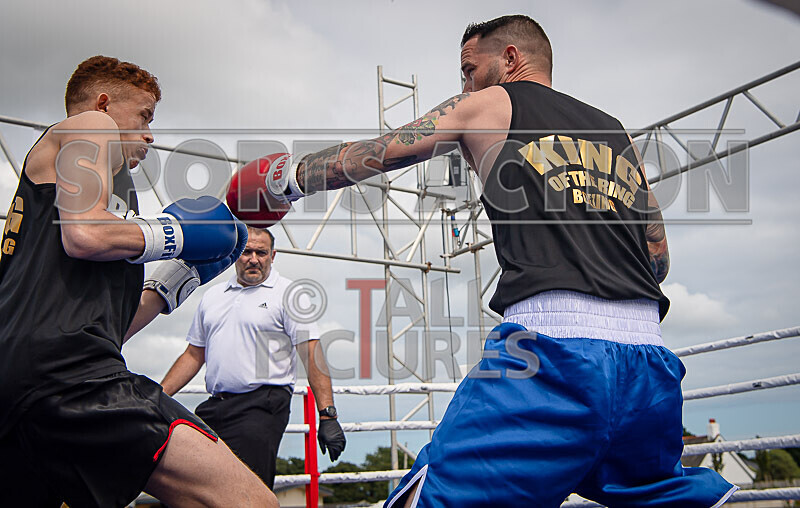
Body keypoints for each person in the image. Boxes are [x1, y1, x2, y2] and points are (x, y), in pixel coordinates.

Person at [228, 14, 737, 508]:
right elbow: (658, 257)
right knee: (656, 494)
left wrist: (286, 180)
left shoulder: (491, 104)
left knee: (430, 499)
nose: (467, 86)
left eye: (470, 70)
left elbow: (383, 151)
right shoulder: (615, 131)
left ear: (510, 58)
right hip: (647, 364)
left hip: (552, 354)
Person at [0, 55, 277, 507]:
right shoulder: (91, 124)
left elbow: (109, 329)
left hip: (26, 384)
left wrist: (173, 283)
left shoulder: (97, 195)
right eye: (145, 116)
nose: (150, 134)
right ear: (106, 103)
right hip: (70, 377)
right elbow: (85, 235)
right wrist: (177, 234)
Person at [161, 225, 347, 490]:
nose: (254, 259)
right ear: (236, 254)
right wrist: (158, 394)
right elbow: (193, 354)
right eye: (247, 251)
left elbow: (311, 352)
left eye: (261, 252)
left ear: (273, 256)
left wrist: (327, 416)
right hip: (216, 404)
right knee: (186, 479)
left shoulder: (288, 294)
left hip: (263, 404)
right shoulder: (212, 297)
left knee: (245, 489)